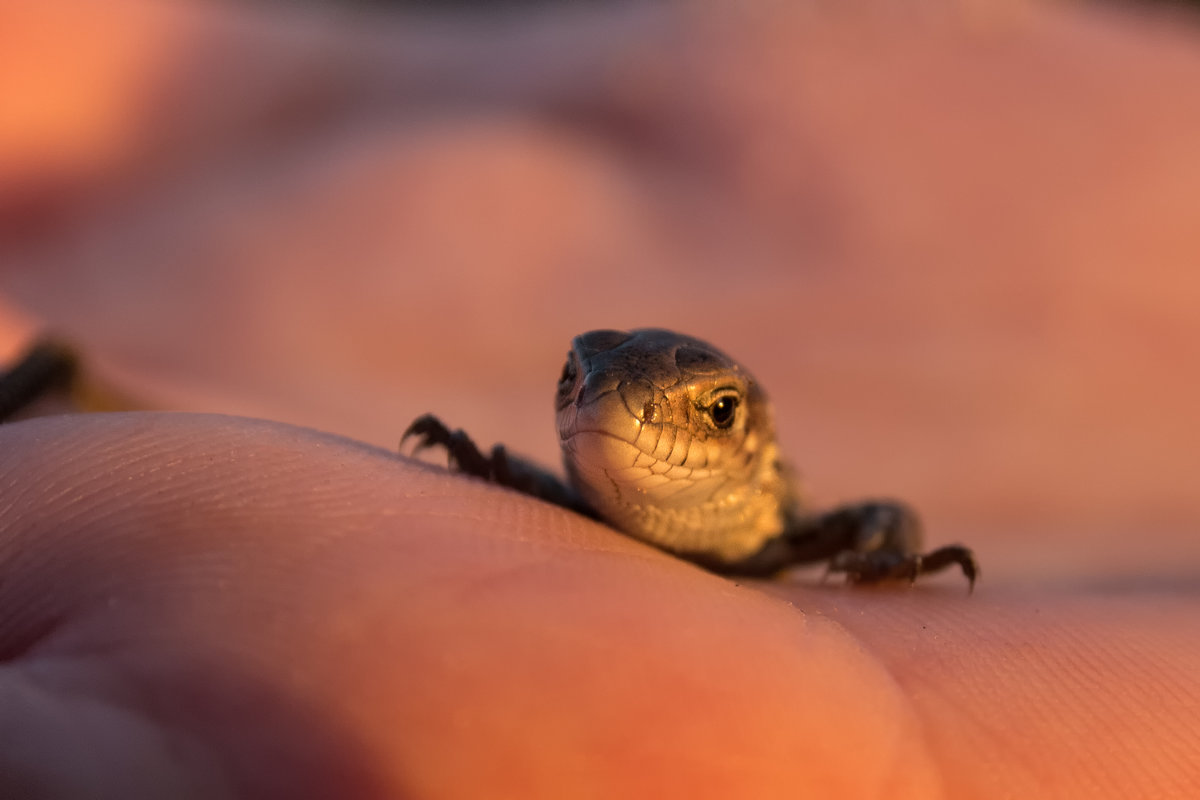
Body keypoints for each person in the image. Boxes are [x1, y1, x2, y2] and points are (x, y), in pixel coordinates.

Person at [2, 0, 1199, 796]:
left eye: (712, 410)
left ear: (755, 434)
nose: (619, 412)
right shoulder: (565, 475)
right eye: (579, 384)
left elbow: (879, 519)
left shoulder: (787, 527)